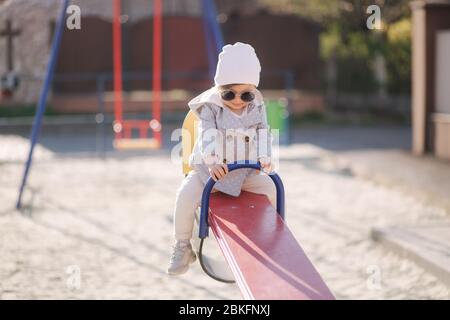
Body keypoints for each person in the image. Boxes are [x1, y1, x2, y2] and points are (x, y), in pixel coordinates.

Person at [167, 42, 276, 276]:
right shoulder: (212, 107)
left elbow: (263, 132)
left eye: (245, 93)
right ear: (219, 89)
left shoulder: (256, 104)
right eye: (229, 93)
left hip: (243, 172)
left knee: (271, 188)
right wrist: (213, 160)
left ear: (253, 90)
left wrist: (265, 157)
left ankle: (270, 237)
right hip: (211, 173)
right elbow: (208, 134)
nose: (238, 100)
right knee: (185, 196)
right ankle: (183, 245)